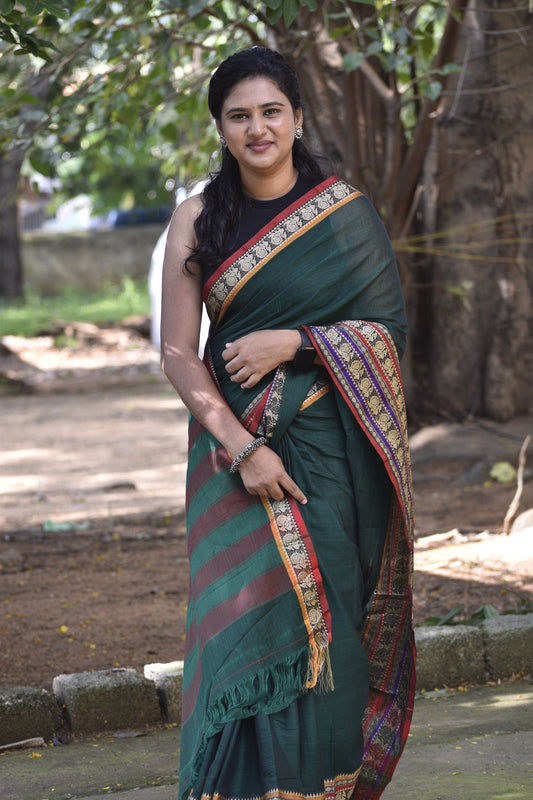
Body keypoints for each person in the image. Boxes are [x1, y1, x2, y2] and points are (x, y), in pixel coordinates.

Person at [161, 46, 415, 800]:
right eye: (238, 115)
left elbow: (388, 333)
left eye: (271, 111)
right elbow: (177, 354)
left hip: (329, 453)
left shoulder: (344, 213)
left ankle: (321, 788)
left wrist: (297, 342)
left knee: (327, 620)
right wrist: (242, 450)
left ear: (298, 118)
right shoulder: (197, 218)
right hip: (232, 455)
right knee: (244, 624)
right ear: (220, 128)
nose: (257, 128)